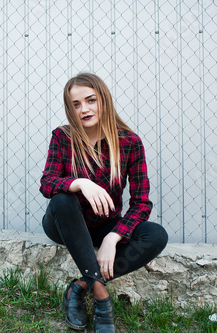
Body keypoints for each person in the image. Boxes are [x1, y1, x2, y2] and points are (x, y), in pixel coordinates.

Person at [39, 73, 168, 332]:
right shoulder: (63, 138)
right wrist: (80, 183)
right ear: (69, 109)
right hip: (64, 224)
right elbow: (47, 183)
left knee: (156, 234)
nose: (84, 109)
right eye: (76, 104)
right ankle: (100, 296)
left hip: (105, 224)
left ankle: (79, 287)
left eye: (90, 100)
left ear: (103, 101)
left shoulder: (129, 143)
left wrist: (113, 237)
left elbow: (141, 203)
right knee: (63, 199)